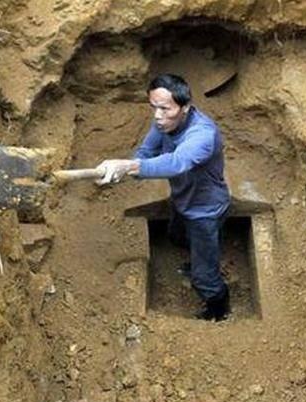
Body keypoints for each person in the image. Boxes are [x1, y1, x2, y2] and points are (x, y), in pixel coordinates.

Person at [96, 74, 231, 321]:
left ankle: (218, 308)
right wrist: (123, 171)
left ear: (185, 107)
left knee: (204, 275)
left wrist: (128, 166)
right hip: (182, 199)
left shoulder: (203, 134)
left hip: (205, 210)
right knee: (177, 236)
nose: (157, 116)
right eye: (154, 108)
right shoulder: (164, 124)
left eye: (165, 109)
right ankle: (198, 258)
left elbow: (176, 163)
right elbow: (146, 152)